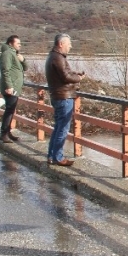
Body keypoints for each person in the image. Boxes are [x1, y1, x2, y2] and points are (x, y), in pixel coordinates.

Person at [45, 33, 85, 166]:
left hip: (58, 96)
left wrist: (74, 74)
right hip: (64, 97)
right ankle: (58, 157)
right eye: (69, 44)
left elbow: (64, 74)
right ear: (61, 44)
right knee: (62, 129)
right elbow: (65, 76)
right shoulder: (58, 58)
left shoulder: (53, 56)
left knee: (58, 127)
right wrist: (78, 78)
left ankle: (52, 155)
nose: (70, 46)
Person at [0, 35, 27, 143]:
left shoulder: (15, 54)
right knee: (9, 111)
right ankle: (4, 134)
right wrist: (9, 86)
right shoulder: (7, 54)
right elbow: (5, 71)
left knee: (11, 110)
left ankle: (8, 133)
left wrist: (23, 60)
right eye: (17, 43)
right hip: (11, 88)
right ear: (11, 43)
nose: (20, 45)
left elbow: (26, 68)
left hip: (15, 87)